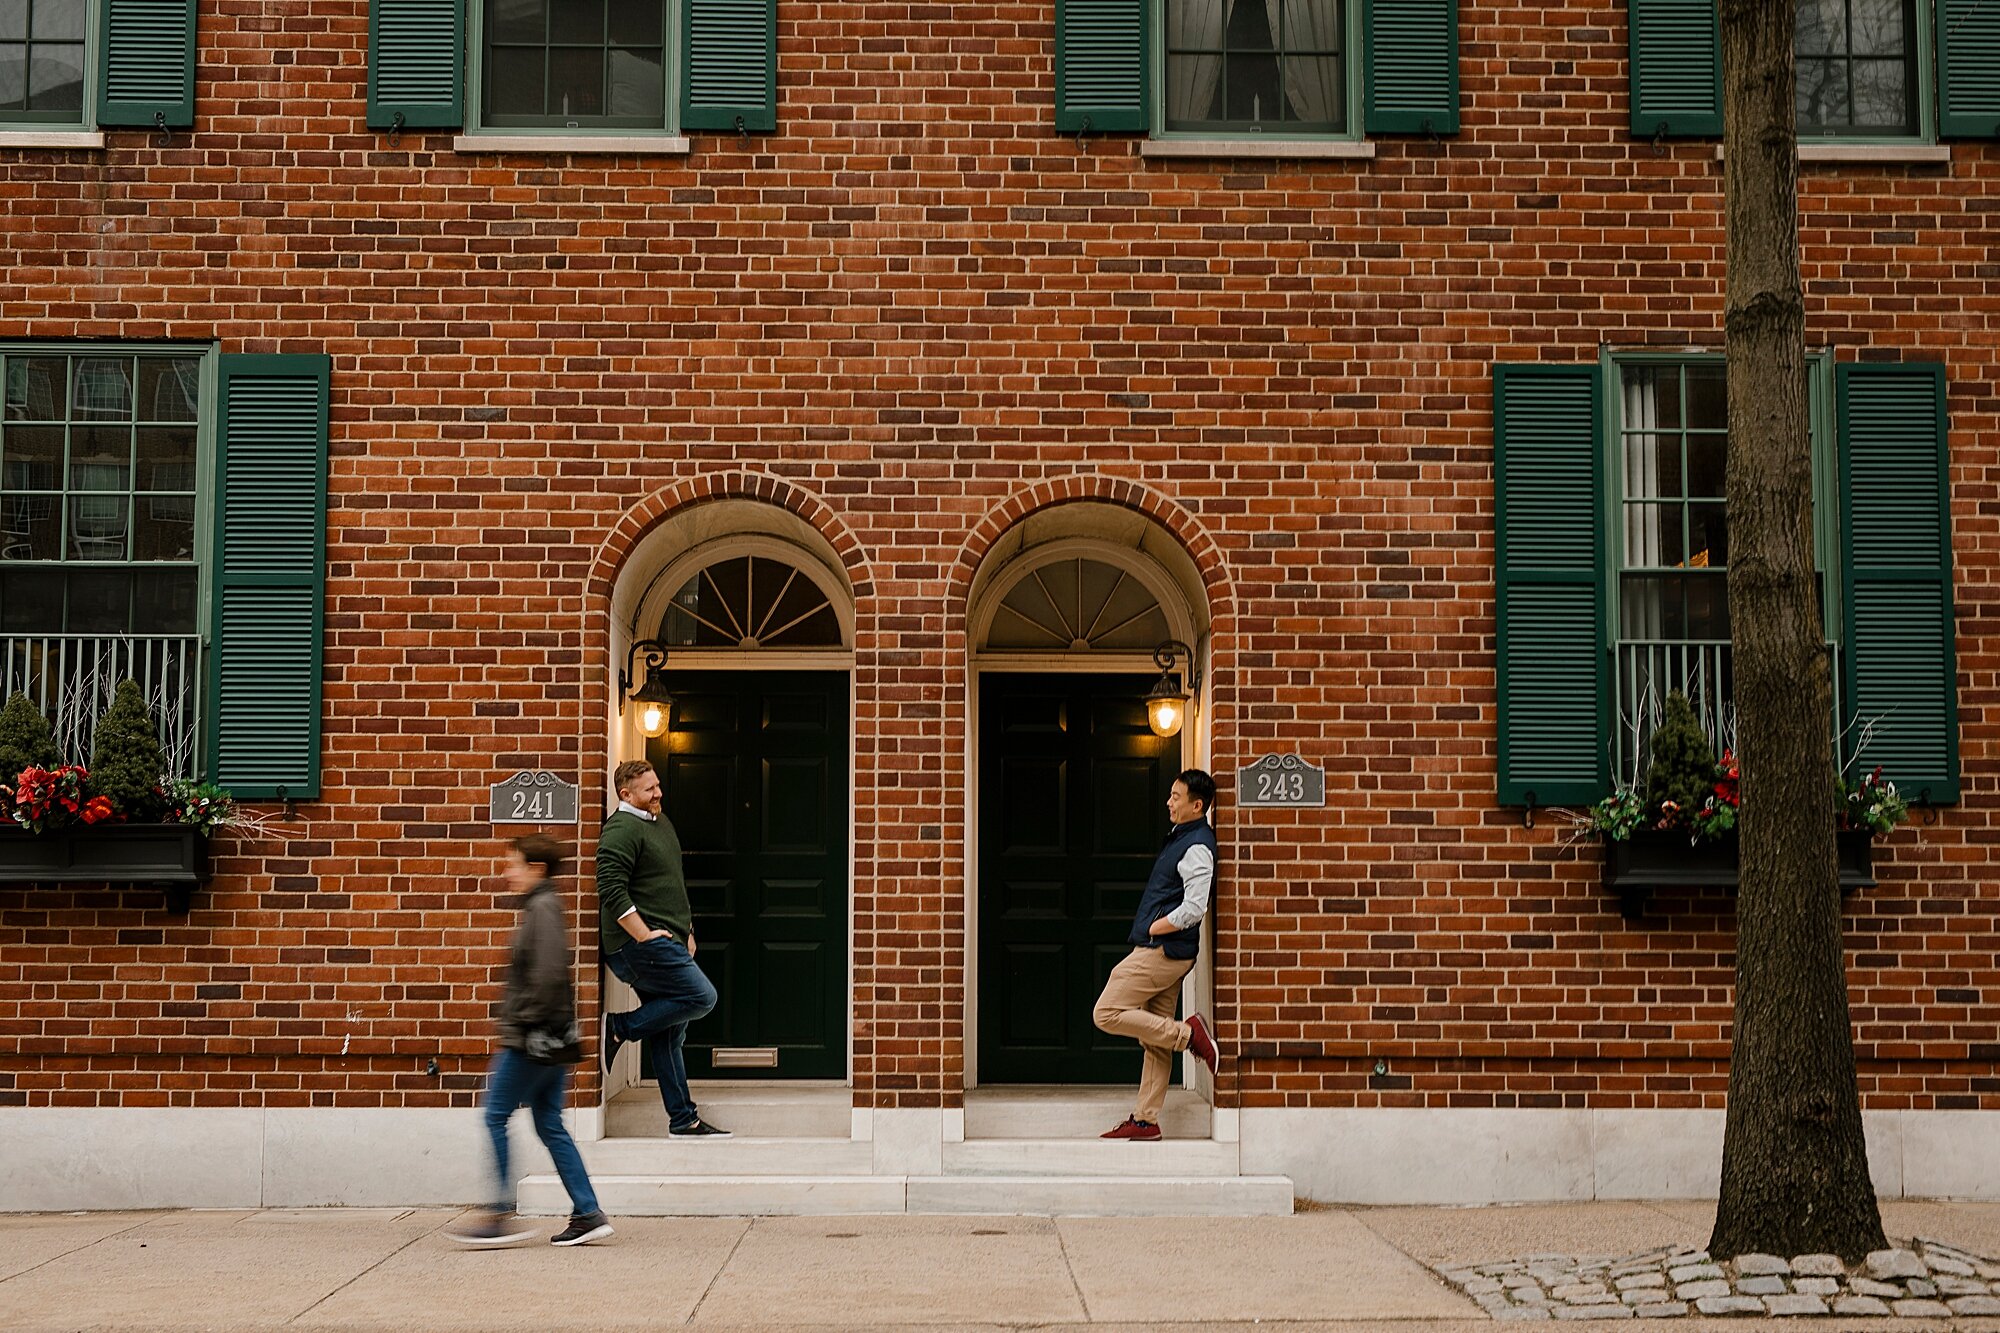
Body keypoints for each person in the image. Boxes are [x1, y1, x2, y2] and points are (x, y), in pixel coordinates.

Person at [451, 834, 614, 1247]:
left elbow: (547, 978)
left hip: (530, 1041)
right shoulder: (546, 906)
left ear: (536, 869)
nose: (507, 873)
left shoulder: (542, 908)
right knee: (549, 1124)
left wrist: (520, 1026)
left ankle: (498, 1214)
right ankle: (588, 1212)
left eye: (514, 865)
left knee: (494, 1116)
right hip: (551, 1041)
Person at [596, 759, 729, 1137]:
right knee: (702, 996)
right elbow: (610, 888)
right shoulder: (621, 829)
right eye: (649, 789)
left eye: (657, 785)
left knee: (669, 1033)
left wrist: (687, 928)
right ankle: (620, 1027)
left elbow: (670, 881)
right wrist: (641, 934)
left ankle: (682, 1118)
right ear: (626, 794)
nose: (658, 793)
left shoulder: (659, 821)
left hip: (669, 938)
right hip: (638, 945)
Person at [1093, 767, 1222, 1142]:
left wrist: (1156, 927)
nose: (1169, 802)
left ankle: (1188, 1034)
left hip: (1163, 950)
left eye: (1176, 797)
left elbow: (1195, 907)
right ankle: (1146, 1121)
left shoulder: (1197, 845)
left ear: (1197, 805)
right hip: (1168, 951)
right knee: (1154, 1037)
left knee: (1107, 1012)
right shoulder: (1184, 837)